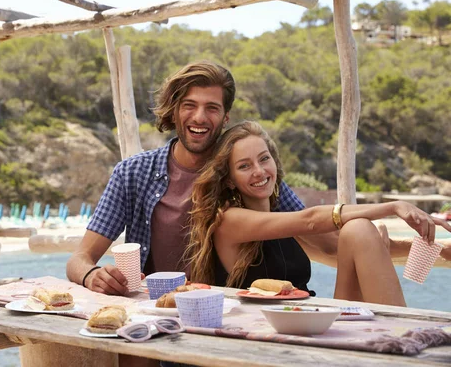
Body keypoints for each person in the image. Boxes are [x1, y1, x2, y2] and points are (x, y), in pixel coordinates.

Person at [66, 61, 307, 295]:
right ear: (174, 110)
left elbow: (311, 229)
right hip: (153, 314)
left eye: (212, 108)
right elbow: (79, 259)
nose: (199, 117)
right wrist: (92, 275)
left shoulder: (247, 171)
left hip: (223, 314)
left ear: (225, 117)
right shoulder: (132, 174)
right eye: (189, 105)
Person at [186, 120, 451, 306]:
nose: (259, 171)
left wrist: (440, 250)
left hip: (305, 319)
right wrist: (393, 208)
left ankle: (397, 336)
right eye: (244, 166)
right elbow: (311, 220)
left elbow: (337, 250)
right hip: (263, 333)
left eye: (264, 159)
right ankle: (401, 338)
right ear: (230, 179)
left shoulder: (283, 221)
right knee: (361, 226)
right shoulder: (229, 220)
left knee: (360, 230)